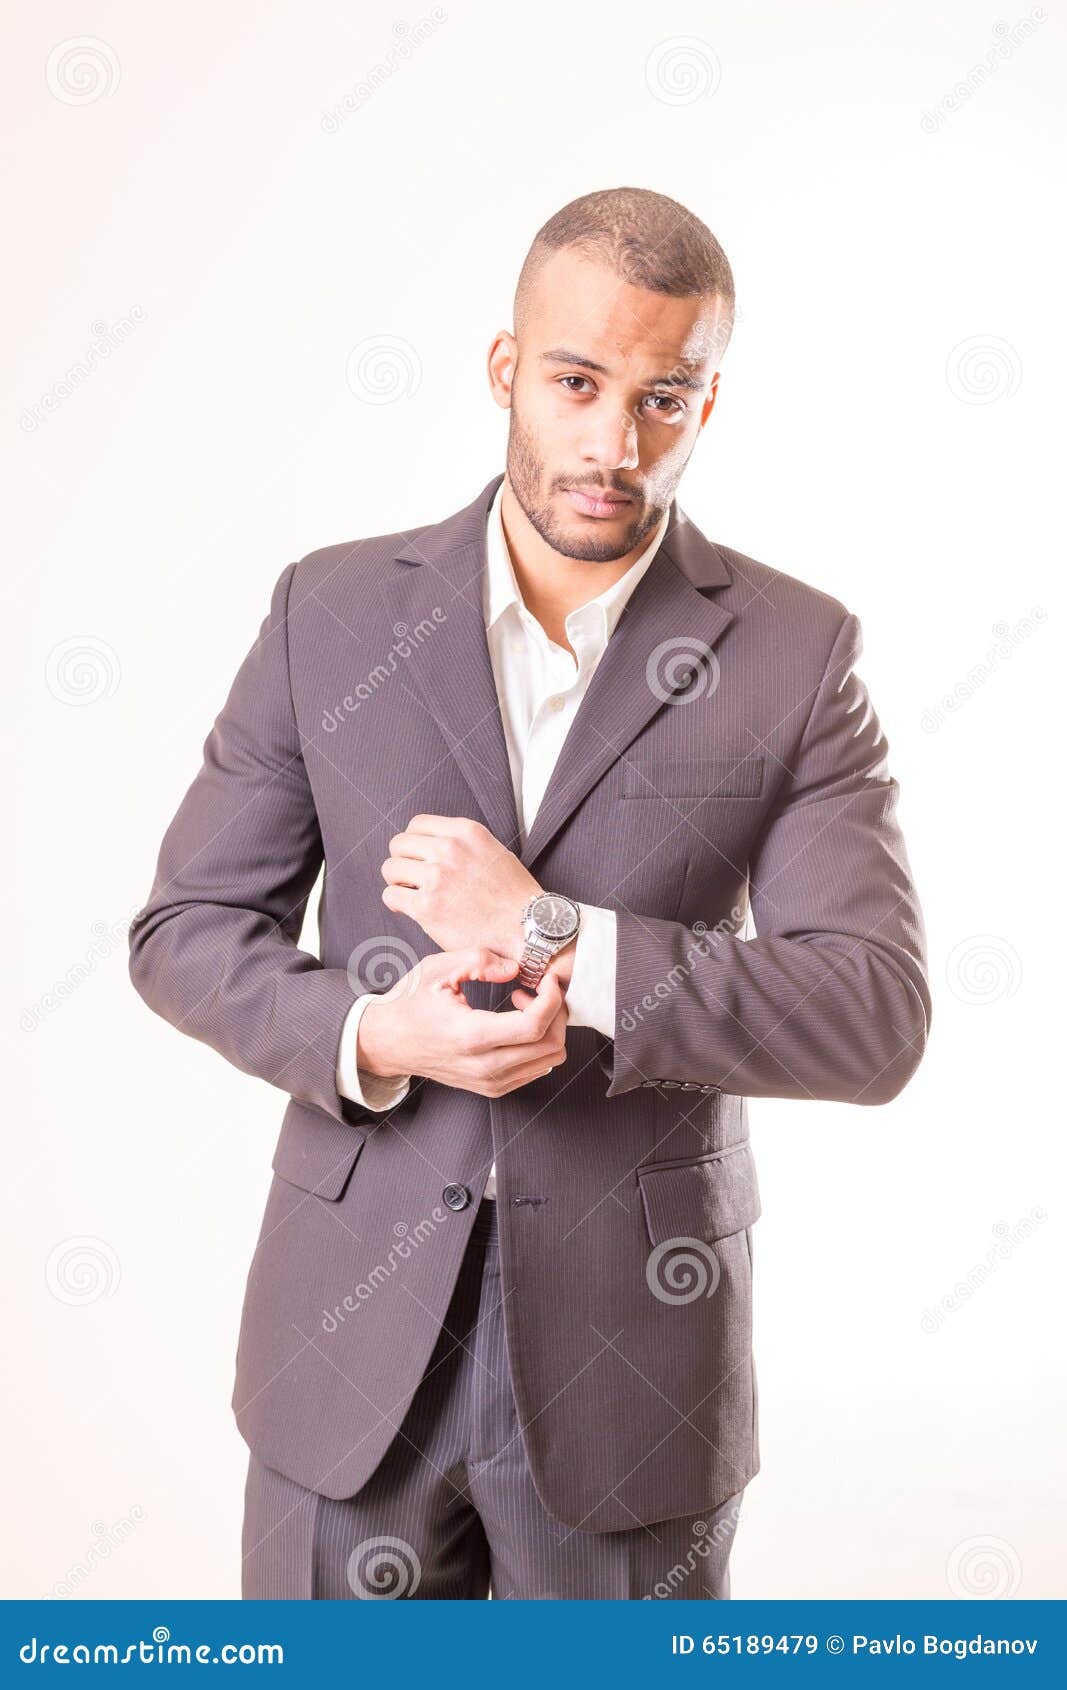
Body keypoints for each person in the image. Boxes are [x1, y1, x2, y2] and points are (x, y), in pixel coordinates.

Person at [128, 186, 931, 1600]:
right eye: (577, 383)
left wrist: (555, 932)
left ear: (708, 402)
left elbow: (872, 1015)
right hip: (346, 1360)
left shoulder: (795, 656)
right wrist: (377, 1037)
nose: (614, 445)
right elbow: (185, 932)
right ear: (508, 369)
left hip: (635, 1399)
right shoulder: (331, 614)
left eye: (663, 398)